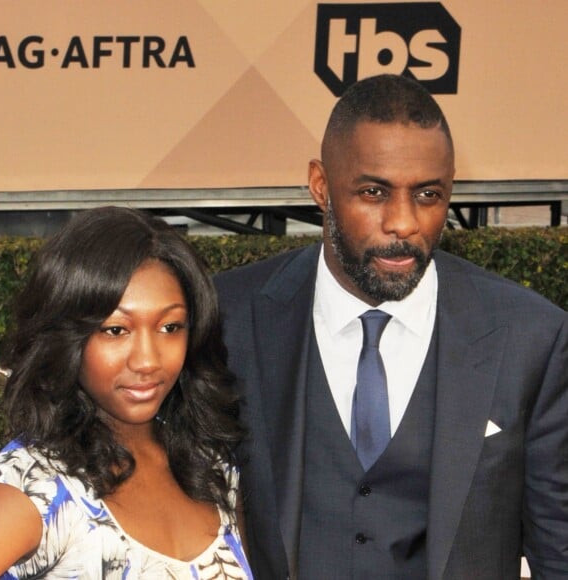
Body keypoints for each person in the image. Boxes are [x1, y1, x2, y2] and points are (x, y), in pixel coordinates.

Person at [214, 74, 568, 579]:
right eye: (373, 192)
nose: (404, 222)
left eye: (428, 194)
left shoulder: (531, 337)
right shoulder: (228, 318)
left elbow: (559, 547)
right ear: (321, 185)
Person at [0, 206, 252, 579]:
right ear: (66, 337)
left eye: (170, 327)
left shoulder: (213, 468)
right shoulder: (34, 486)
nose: (147, 360)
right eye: (116, 330)